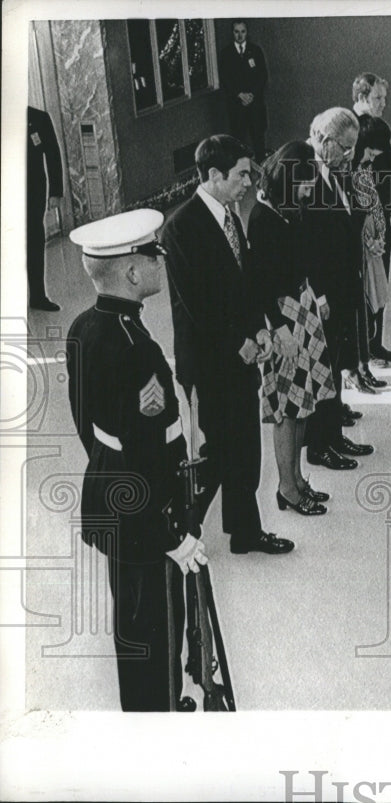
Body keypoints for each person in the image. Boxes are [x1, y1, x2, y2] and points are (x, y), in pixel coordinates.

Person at [66, 209, 207, 710]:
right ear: (130, 271)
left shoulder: (84, 326)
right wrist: (174, 533)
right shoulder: (135, 348)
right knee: (156, 635)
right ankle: (158, 731)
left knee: (132, 626)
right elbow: (150, 451)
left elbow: (91, 427)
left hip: (111, 498)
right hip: (148, 516)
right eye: (152, 255)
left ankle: (145, 715)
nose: (159, 262)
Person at [162, 135, 293, 555]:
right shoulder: (181, 227)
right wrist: (238, 343)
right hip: (209, 361)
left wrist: (259, 330)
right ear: (214, 175)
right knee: (219, 451)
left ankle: (244, 531)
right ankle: (178, 529)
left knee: (244, 445)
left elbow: (246, 281)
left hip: (241, 352)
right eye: (241, 174)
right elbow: (196, 303)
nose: (249, 182)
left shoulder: (230, 215)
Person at [247, 141, 337, 515]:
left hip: (301, 309)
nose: (306, 191)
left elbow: (300, 263)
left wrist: (315, 295)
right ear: (285, 177)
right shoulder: (262, 218)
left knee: (304, 402)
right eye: (301, 184)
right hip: (283, 319)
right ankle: (286, 487)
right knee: (286, 406)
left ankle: (298, 479)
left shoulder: (287, 211)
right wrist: (280, 328)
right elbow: (262, 283)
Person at [302, 107, 374, 470]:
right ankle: (320, 444)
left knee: (335, 361)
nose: (349, 155)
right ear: (323, 140)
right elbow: (308, 245)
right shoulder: (305, 175)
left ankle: (334, 432)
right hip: (323, 292)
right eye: (345, 147)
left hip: (343, 285)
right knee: (322, 368)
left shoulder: (333, 171)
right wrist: (321, 295)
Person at [352, 72, 391, 364]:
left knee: (380, 279)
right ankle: (364, 348)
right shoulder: (352, 130)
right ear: (361, 98)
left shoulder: (379, 126)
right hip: (364, 219)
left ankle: (376, 343)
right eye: (377, 98)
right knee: (364, 282)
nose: (383, 103)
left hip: (383, 212)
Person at [350, 115, 391, 391]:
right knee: (361, 313)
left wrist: (379, 237)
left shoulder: (366, 167)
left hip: (373, 249)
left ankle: (365, 363)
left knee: (373, 306)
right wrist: (368, 241)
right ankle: (359, 368)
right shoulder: (352, 171)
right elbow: (357, 213)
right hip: (361, 253)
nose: (377, 155)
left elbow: (373, 205)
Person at [27, 105, 64, 311]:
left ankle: (38, 296)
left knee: (34, 241)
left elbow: (52, 153)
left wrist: (56, 192)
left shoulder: (37, 118)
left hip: (33, 193)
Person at [218, 20, 268, 162]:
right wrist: (239, 95)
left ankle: (261, 168)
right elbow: (225, 78)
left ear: (247, 32)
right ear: (232, 33)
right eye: (236, 32)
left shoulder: (255, 51)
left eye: (243, 31)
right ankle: (241, 171)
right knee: (238, 140)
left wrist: (252, 95)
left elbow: (262, 76)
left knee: (258, 137)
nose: (240, 35)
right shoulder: (226, 53)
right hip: (236, 105)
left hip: (255, 104)